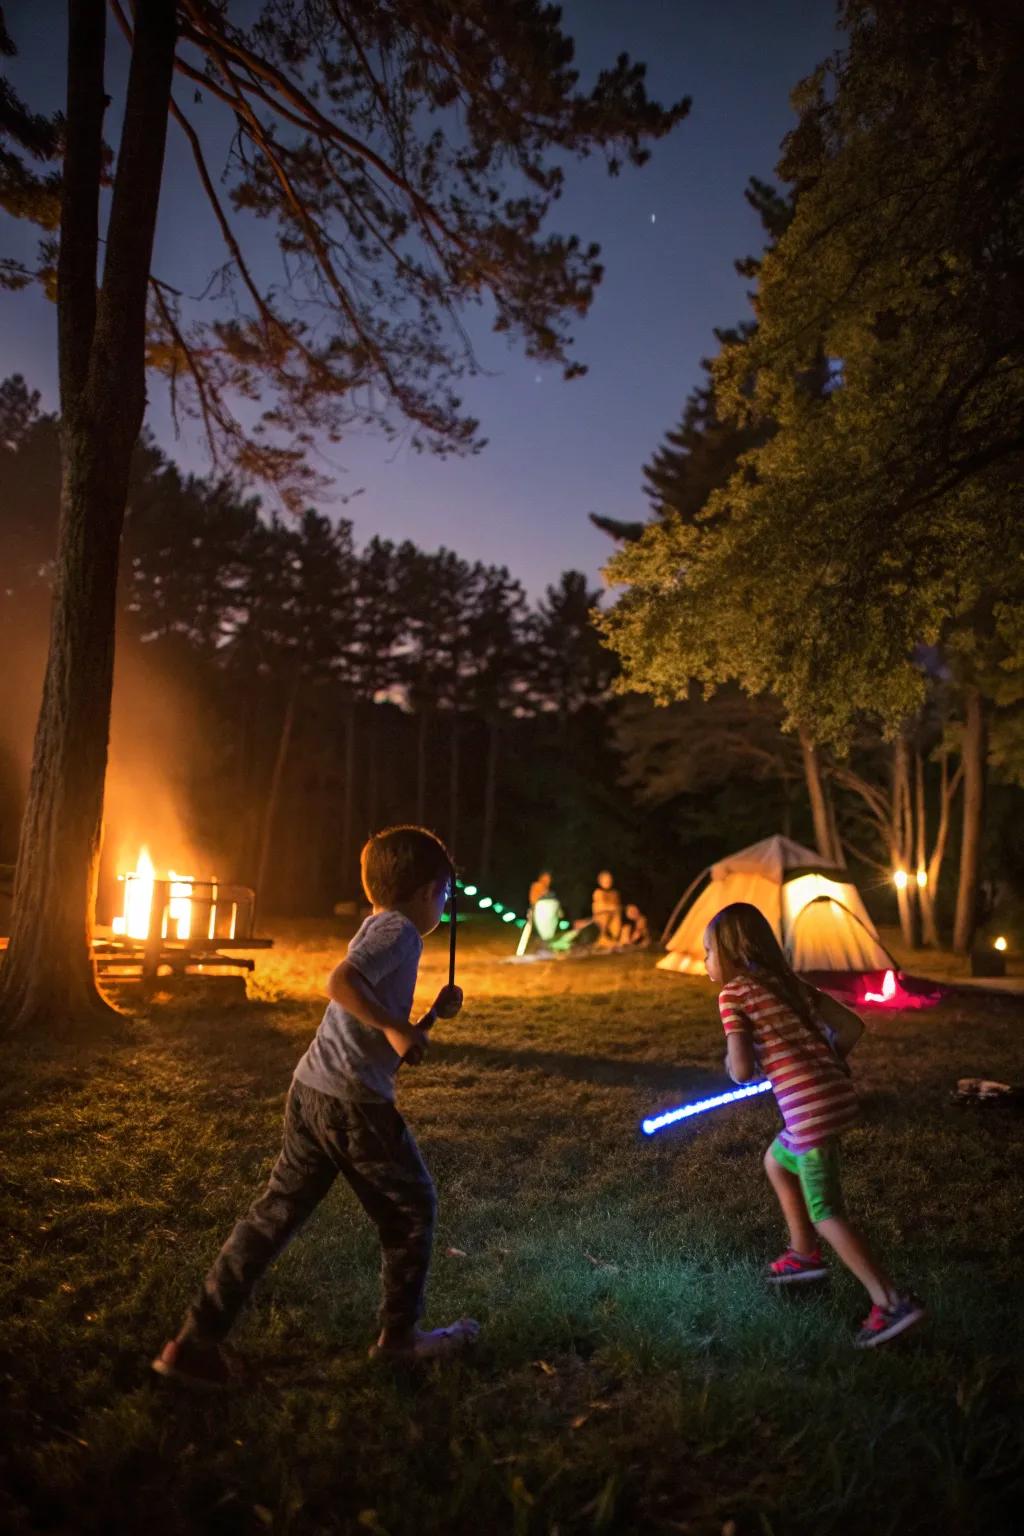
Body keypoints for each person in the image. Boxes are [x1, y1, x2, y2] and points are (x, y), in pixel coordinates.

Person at [152, 825, 479, 1387]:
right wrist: (399, 1026)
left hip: (313, 1092)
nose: (444, 907)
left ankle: (191, 1342)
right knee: (411, 1210)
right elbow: (341, 982)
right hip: (352, 1104)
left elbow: (377, 1034)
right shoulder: (401, 930)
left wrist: (422, 1020)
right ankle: (399, 1340)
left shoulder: (379, 925)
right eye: (445, 895)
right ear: (429, 890)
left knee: (275, 1213)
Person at [703, 902, 924, 1349]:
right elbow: (851, 1027)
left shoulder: (732, 995)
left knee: (827, 1212)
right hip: (835, 1094)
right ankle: (803, 1255)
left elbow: (742, 1069)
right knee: (778, 1162)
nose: (706, 960)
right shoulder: (788, 984)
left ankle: (891, 1300)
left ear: (730, 952)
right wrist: (822, 1062)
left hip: (810, 1110)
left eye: (707, 950)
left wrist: (732, 1060)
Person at [591, 869, 622, 944]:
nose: (608, 882)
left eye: (609, 880)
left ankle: (615, 938)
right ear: (600, 882)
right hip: (602, 918)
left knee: (617, 917)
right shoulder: (598, 893)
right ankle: (604, 938)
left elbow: (618, 907)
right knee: (604, 916)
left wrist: (615, 909)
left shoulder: (615, 893)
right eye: (605, 880)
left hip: (614, 918)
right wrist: (610, 908)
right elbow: (599, 907)